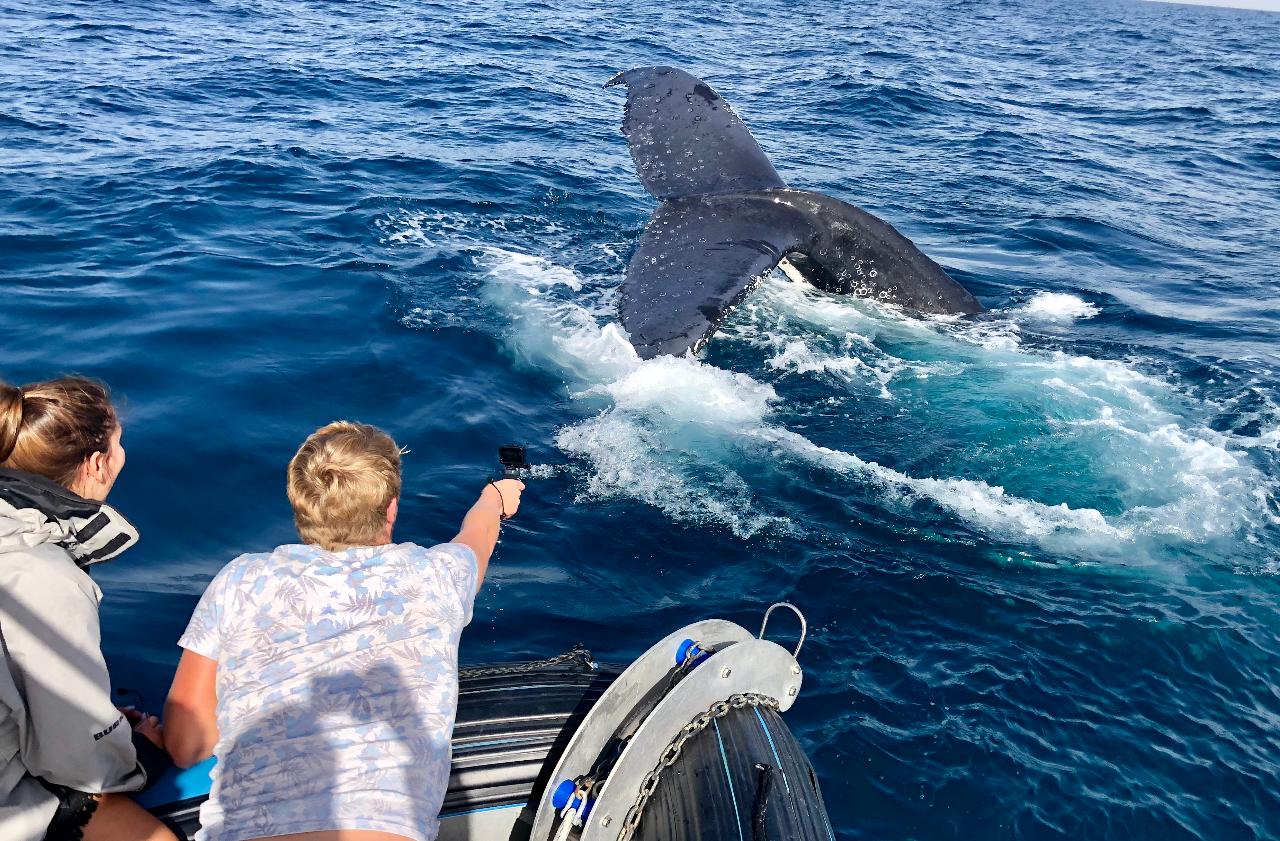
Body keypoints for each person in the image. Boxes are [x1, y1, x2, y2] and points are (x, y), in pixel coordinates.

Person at [163, 421, 524, 841]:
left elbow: (187, 744)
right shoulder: (438, 576)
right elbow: (476, 533)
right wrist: (495, 496)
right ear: (391, 507)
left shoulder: (241, 579)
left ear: (300, 503)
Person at [0, 377, 176, 841]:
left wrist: (98, 718)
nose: (122, 454)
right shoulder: (42, 576)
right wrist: (138, 752)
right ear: (97, 464)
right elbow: (76, 763)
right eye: (119, 444)